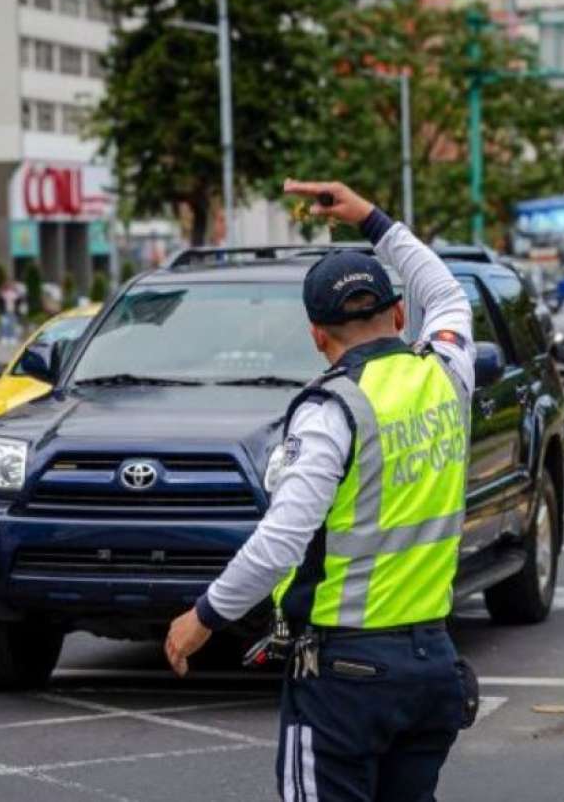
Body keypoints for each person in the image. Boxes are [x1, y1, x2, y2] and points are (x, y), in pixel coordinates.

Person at [165, 179, 476, 802]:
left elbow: (281, 539)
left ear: (316, 335)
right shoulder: (447, 374)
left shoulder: (331, 411)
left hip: (347, 680)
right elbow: (445, 291)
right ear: (397, 315)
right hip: (432, 663)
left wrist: (202, 617)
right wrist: (370, 216)